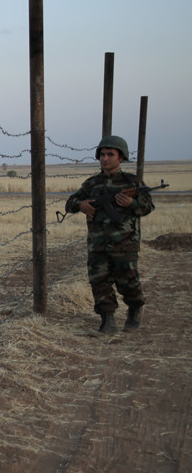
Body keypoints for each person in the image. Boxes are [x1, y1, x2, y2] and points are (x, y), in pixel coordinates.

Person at [64, 135, 155, 335]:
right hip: (98, 243)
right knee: (99, 281)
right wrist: (81, 205)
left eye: (110, 154)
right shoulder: (92, 184)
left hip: (125, 242)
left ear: (121, 157)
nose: (105, 159)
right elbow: (70, 204)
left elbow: (148, 206)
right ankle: (108, 322)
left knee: (128, 280)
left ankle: (135, 308)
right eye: (102, 155)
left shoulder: (132, 182)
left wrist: (132, 204)